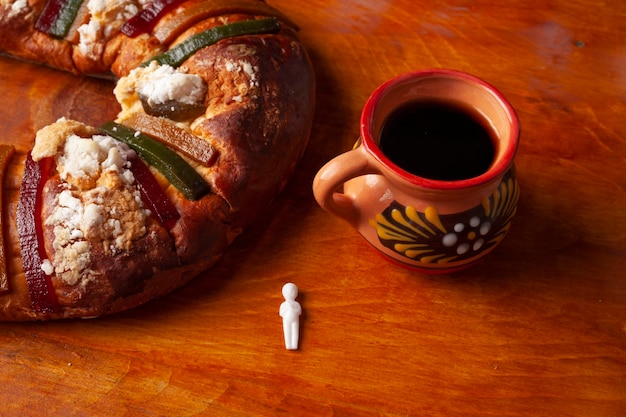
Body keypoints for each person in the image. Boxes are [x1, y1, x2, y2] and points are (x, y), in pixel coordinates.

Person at [279, 283, 302, 350]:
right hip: (286, 320)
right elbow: (281, 313)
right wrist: (286, 310)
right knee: (287, 331)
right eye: (288, 292)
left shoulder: (296, 304)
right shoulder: (284, 304)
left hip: (295, 319)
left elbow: (299, 311)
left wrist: (293, 310)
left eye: (292, 292)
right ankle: (288, 344)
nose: (290, 294)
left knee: (295, 331)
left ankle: (294, 344)